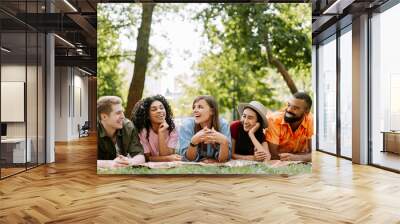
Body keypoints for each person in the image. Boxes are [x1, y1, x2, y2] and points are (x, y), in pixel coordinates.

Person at [178, 95, 231, 163]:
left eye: (200, 107)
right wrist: (193, 142)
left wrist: (224, 142)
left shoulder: (223, 125)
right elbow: (188, 159)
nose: (195, 110)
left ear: (212, 111)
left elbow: (223, 160)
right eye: (194, 107)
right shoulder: (186, 126)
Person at [97, 96, 145, 168]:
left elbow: (140, 156)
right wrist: (110, 164)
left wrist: (130, 162)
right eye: (118, 113)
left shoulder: (128, 126)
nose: (123, 116)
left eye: (122, 112)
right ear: (104, 117)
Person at [265, 92, 313, 162]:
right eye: (289, 105)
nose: (289, 109)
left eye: (295, 108)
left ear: (306, 112)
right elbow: (273, 155)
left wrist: (298, 158)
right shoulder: (274, 120)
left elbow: (315, 154)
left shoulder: (311, 120)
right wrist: (305, 156)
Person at [132, 95, 181, 162]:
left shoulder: (172, 129)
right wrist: (167, 158)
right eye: (154, 109)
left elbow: (169, 154)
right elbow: (147, 158)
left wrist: (161, 133)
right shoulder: (143, 131)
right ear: (147, 116)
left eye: (161, 108)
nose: (159, 111)